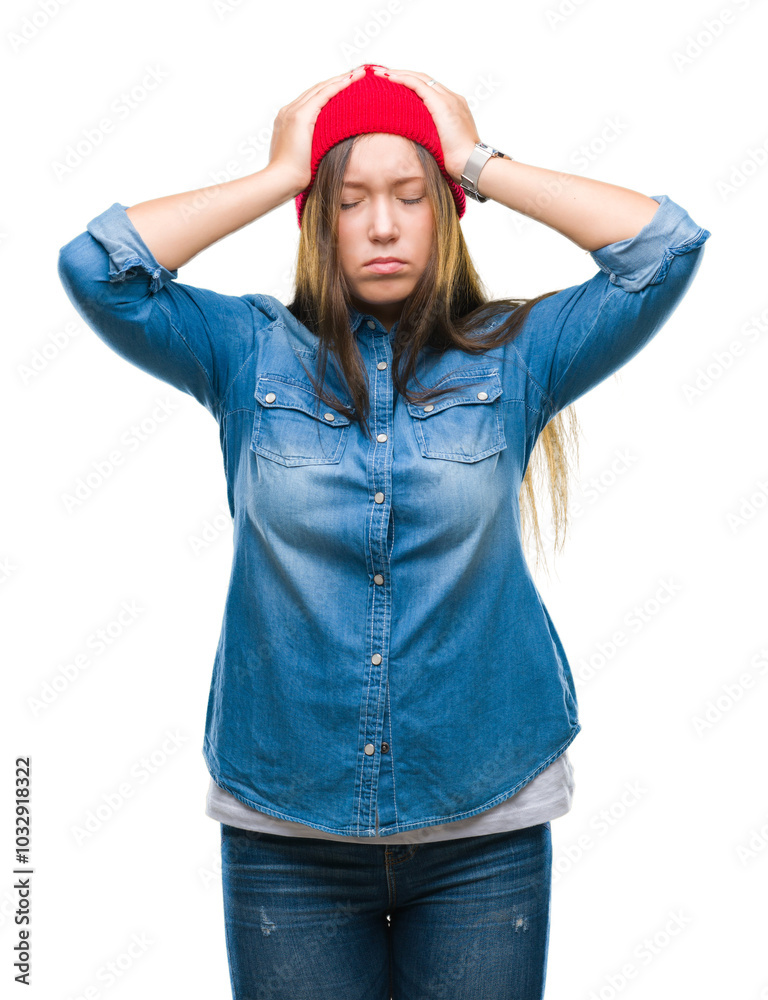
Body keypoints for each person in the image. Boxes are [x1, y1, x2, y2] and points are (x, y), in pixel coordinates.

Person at [57, 62, 710, 1000]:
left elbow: (664, 249)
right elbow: (97, 270)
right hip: (289, 825)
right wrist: (285, 172)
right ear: (319, 222)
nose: (383, 223)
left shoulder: (518, 355)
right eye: (350, 200)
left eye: (412, 195)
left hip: (483, 821)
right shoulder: (245, 353)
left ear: (445, 213)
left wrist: (478, 160)